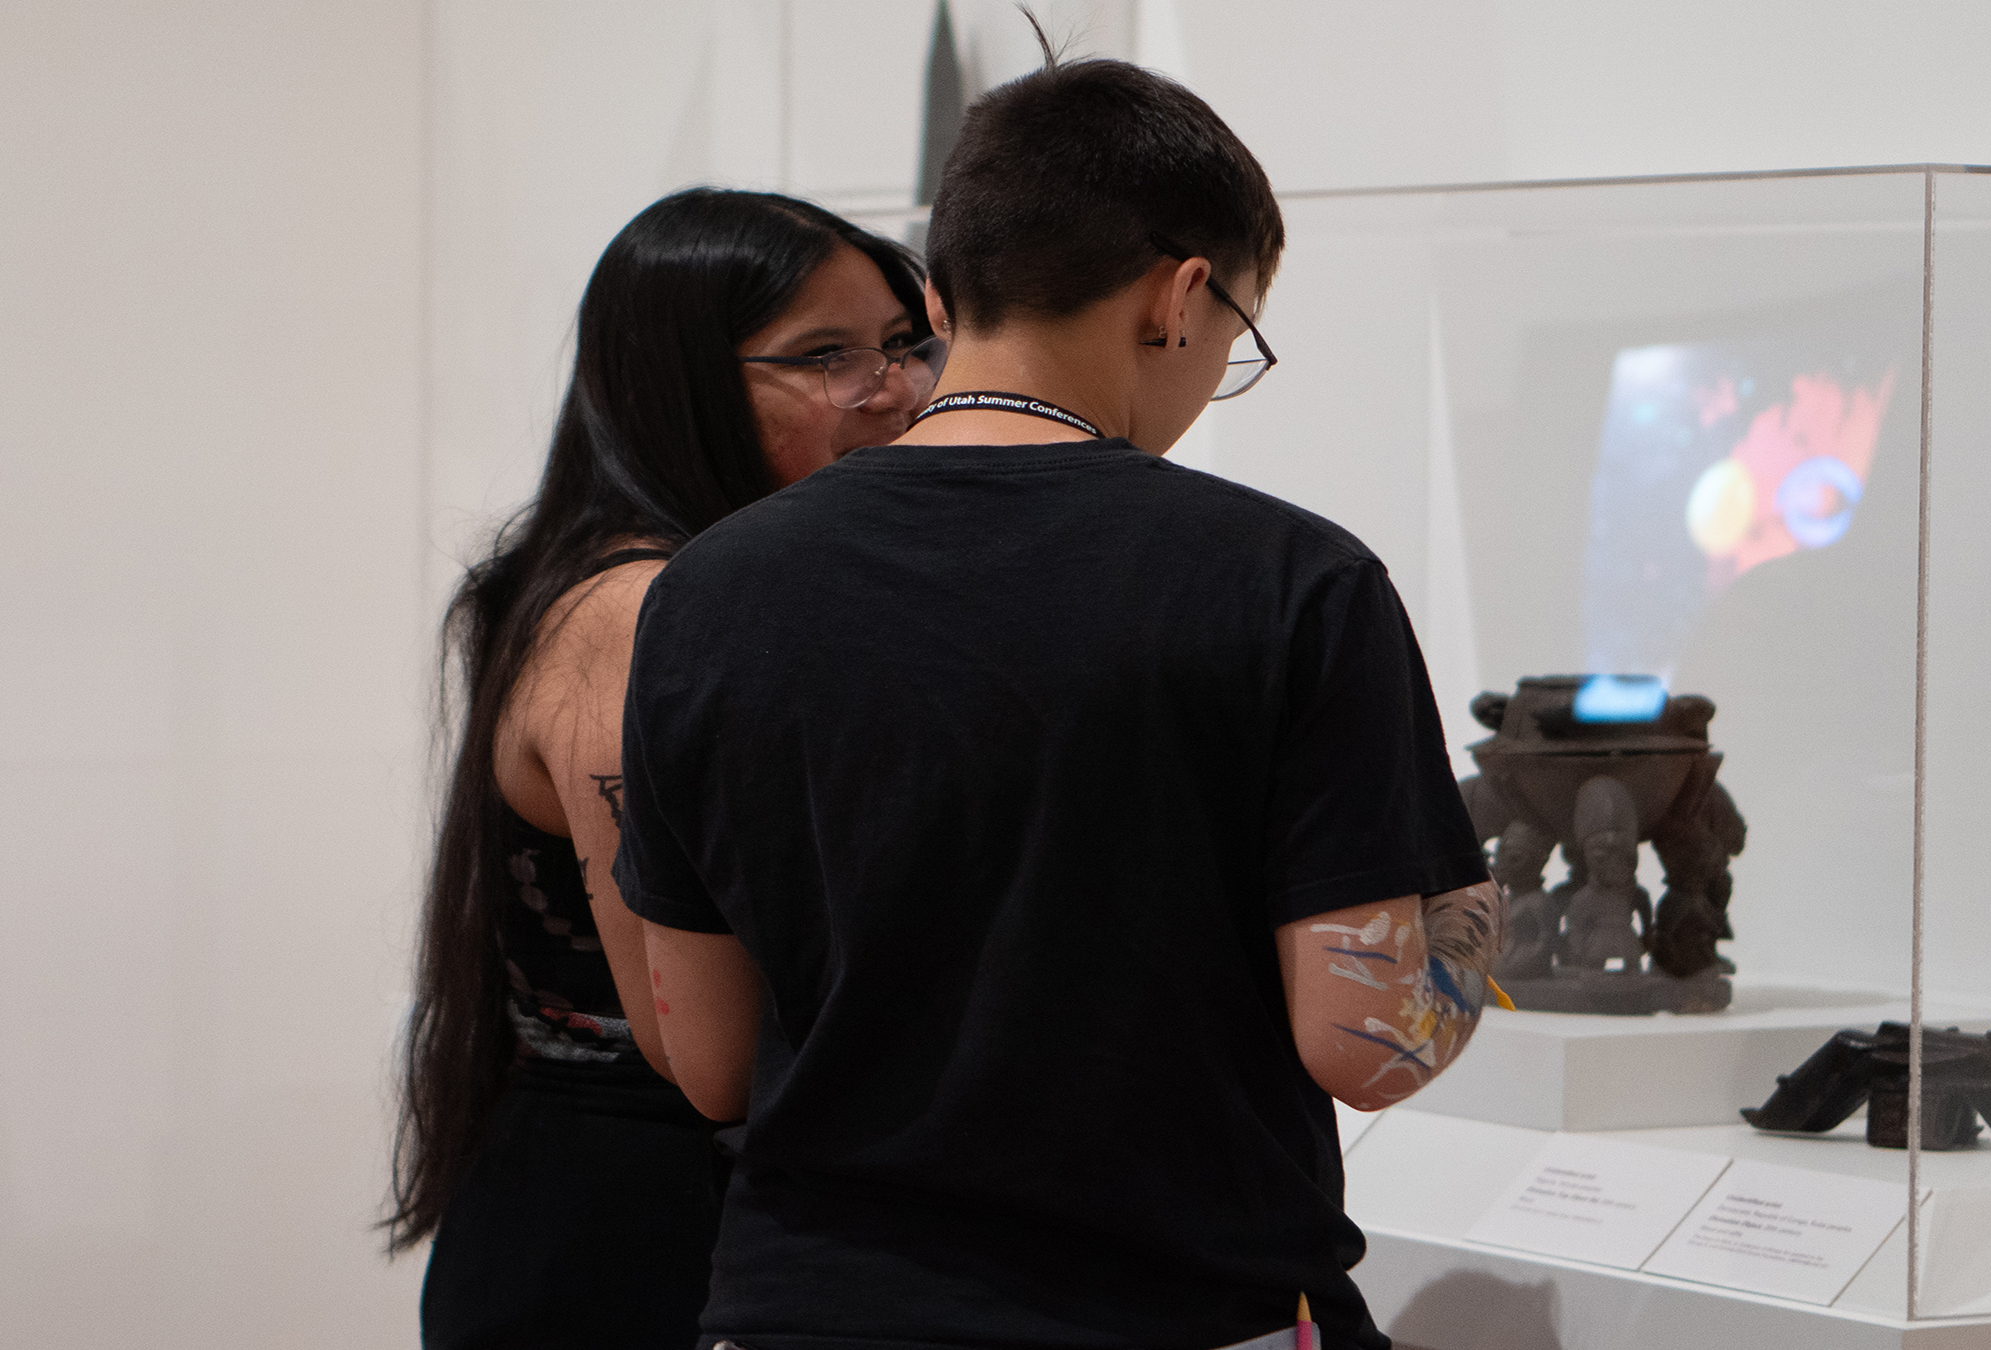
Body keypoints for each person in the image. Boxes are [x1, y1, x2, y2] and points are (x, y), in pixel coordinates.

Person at [615, 46, 1503, 1350]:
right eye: (1236, 337)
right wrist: (1480, 921)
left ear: (940, 288)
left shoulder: (708, 589)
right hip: (1173, 1310)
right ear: (1179, 296)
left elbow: (705, 1058)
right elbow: (1368, 1036)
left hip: (807, 1313)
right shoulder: (1292, 582)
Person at [387, 187, 946, 1349]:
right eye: (829, 358)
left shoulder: (689, 584)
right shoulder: (637, 608)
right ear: (684, 381)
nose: (895, 390)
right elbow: (700, 1046)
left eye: (903, 343)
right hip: (632, 1228)